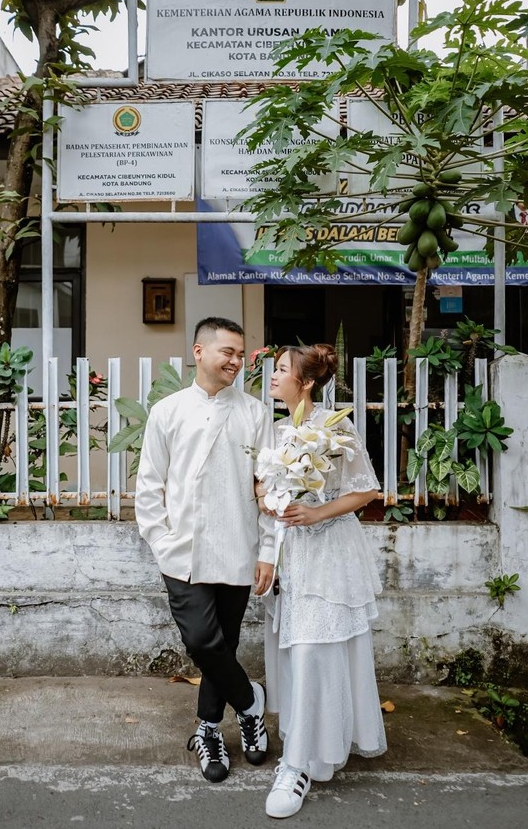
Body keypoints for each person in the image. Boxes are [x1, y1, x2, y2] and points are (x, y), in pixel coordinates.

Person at [135, 317, 275, 783]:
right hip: (183, 551)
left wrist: (268, 550)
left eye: (240, 354)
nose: (236, 361)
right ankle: (251, 701)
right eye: (227, 352)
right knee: (201, 641)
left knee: (224, 644)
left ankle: (209, 730)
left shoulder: (255, 413)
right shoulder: (168, 411)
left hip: (238, 546)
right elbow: (150, 484)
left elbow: (269, 488)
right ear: (199, 352)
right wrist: (160, 540)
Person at [258, 343, 386, 819]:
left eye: (282, 370)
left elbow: (366, 490)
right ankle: (305, 745)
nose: (273, 377)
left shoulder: (335, 426)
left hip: (330, 552)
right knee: (296, 651)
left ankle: (297, 766)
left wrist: (316, 512)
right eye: (273, 369)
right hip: (291, 554)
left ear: (307, 381)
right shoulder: (276, 430)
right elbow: (263, 489)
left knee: (316, 649)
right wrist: (268, 502)